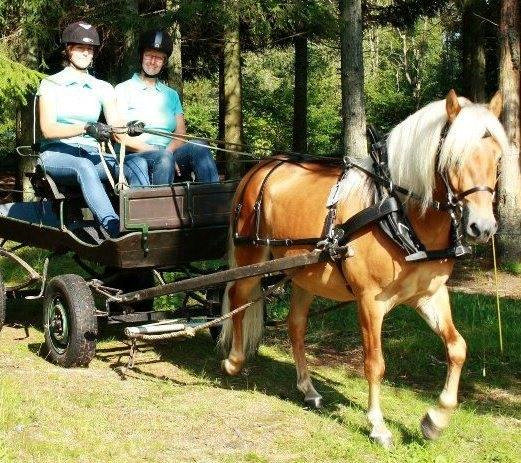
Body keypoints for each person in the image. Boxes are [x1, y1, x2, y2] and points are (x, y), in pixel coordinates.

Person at [37, 21, 148, 237]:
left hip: (92, 154)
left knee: (137, 164)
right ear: (68, 50)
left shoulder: (103, 87)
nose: (86, 53)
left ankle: (141, 223)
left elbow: (116, 126)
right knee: (84, 166)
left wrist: (129, 128)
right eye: (80, 48)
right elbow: (47, 129)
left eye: (90, 49)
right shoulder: (51, 84)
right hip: (56, 154)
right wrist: (86, 127)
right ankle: (114, 228)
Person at [115, 30, 219, 185]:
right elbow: (119, 134)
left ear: (164, 62)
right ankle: (160, 207)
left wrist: (168, 152)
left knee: (200, 146)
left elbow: (181, 134)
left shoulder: (171, 95)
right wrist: (159, 153)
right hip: (136, 154)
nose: (153, 61)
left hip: (169, 152)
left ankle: (214, 202)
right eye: (150, 55)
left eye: (159, 58)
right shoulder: (123, 89)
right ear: (141, 56)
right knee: (163, 159)